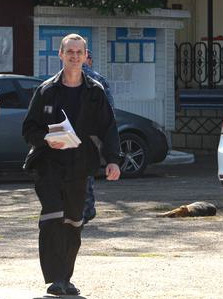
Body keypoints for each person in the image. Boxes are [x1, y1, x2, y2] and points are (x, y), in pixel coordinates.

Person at [22, 33, 121, 296]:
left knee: (74, 222)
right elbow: (28, 129)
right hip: (49, 165)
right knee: (53, 217)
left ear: (86, 56)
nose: (74, 56)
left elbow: (108, 128)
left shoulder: (95, 92)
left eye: (79, 52)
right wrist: (45, 138)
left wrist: (113, 160)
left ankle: (65, 277)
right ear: (61, 55)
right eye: (70, 52)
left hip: (80, 166)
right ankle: (55, 279)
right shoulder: (46, 90)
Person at [82, 49, 115, 224]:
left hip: (74, 132)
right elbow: (109, 110)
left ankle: (85, 209)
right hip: (93, 134)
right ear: (91, 60)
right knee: (87, 171)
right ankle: (87, 208)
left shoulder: (63, 77)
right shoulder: (99, 79)